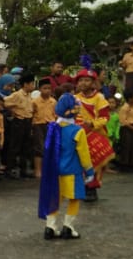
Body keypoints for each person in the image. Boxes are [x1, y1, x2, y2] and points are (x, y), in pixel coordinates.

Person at [38, 93, 95, 240]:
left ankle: (50, 227)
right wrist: (89, 171)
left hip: (54, 171)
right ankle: (67, 228)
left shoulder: (52, 128)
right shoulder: (78, 131)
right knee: (74, 198)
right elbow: (84, 154)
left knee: (55, 199)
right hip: (72, 171)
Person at [73, 68, 112, 201]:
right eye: (81, 80)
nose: (84, 83)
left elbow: (105, 117)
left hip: (95, 135)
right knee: (80, 162)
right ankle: (82, 187)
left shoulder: (99, 98)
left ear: (93, 83)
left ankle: (92, 188)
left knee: (94, 163)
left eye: (87, 80)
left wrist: (92, 124)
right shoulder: (74, 98)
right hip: (78, 135)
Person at [2, 73, 35, 178]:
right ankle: (10, 169)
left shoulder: (29, 95)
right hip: (19, 121)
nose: (33, 86)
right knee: (15, 146)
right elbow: (5, 102)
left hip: (27, 121)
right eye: (32, 84)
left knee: (26, 146)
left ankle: (23, 169)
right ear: (25, 84)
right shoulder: (17, 94)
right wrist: (12, 110)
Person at [31, 77, 57, 178]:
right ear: (39, 89)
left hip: (51, 125)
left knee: (50, 147)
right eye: (44, 88)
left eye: (49, 88)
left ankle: (49, 169)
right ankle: (38, 170)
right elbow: (32, 114)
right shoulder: (35, 102)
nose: (47, 91)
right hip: (38, 125)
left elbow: (56, 114)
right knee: (39, 148)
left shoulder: (53, 101)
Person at [117, 91, 133, 171]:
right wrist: (132, 127)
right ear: (130, 98)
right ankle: (124, 164)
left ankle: (132, 163)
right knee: (126, 146)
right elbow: (123, 121)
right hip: (127, 128)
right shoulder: (124, 108)